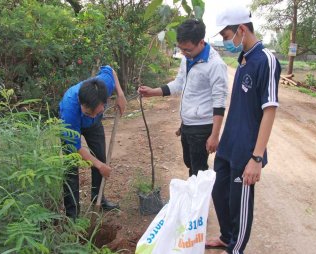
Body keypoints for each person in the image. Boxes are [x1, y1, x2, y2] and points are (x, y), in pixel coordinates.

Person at [205, 5, 281, 254]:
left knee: (240, 202)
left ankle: (235, 249)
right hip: (228, 147)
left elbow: (269, 110)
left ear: (241, 29)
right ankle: (227, 237)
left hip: (246, 153)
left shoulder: (266, 61)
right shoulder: (243, 60)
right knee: (220, 192)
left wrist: (256, 158)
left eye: (227, 37)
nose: (227, 42)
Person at [138, 19, 228, 177]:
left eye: (187, 50)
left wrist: (214, 135)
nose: (184, 53)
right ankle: (197, 193)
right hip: (188, 124)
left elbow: (219, 102)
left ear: (201, 42)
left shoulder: (215, 65)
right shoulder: (188, 59)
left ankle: (198, 199)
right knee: (190, 163)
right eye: (181, 49)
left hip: (201, 127)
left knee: (198, 171)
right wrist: (153, 92)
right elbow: (179, 83)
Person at [59, 65, 127, 219]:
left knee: (100, 157)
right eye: (87, 112)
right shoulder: (70, 109)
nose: (90, 115)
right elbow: (76, 147)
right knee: (71, 167)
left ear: (105, 102)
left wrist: (121, 94)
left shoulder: (105, 84)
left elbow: (110, 69)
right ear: (81, 103)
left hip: (94, 126)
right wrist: (99, 165)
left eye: (95, 111)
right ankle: (72, 214)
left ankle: (98, 199)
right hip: (73, 126)